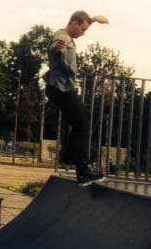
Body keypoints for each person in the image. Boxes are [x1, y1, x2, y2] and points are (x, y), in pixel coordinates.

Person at [44, 10, 109, 186]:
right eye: (83, 29)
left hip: (61, 89)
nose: (83, 33)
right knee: (82, 124)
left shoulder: (72, 30)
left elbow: (84, 21)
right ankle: (83, 173)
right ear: (74, 24)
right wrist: (53, 48)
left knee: (82, 120)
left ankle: (68, 156)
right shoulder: (61, 37)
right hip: (60, 89)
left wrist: (94, 19)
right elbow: (53, 48)